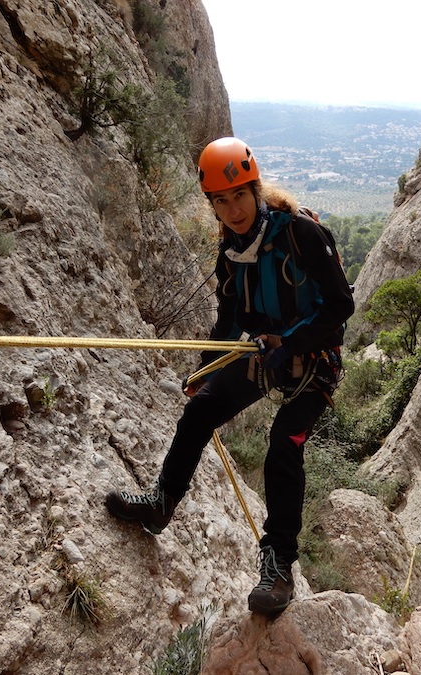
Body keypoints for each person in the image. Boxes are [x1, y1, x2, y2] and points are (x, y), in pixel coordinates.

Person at [105, 137, 355, 615]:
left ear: (255, 190)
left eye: (239, 195)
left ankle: (278, 564)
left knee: (284, 443)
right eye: (221, 201)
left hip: (316, 358)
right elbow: (228, 323)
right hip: (265, 352)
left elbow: (341, 307)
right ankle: (162, 503)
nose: (232, 209)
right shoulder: (230, 254)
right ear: (213, 206)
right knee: (200, 410)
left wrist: (291, 342)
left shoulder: (301, 234)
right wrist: (206, 370)